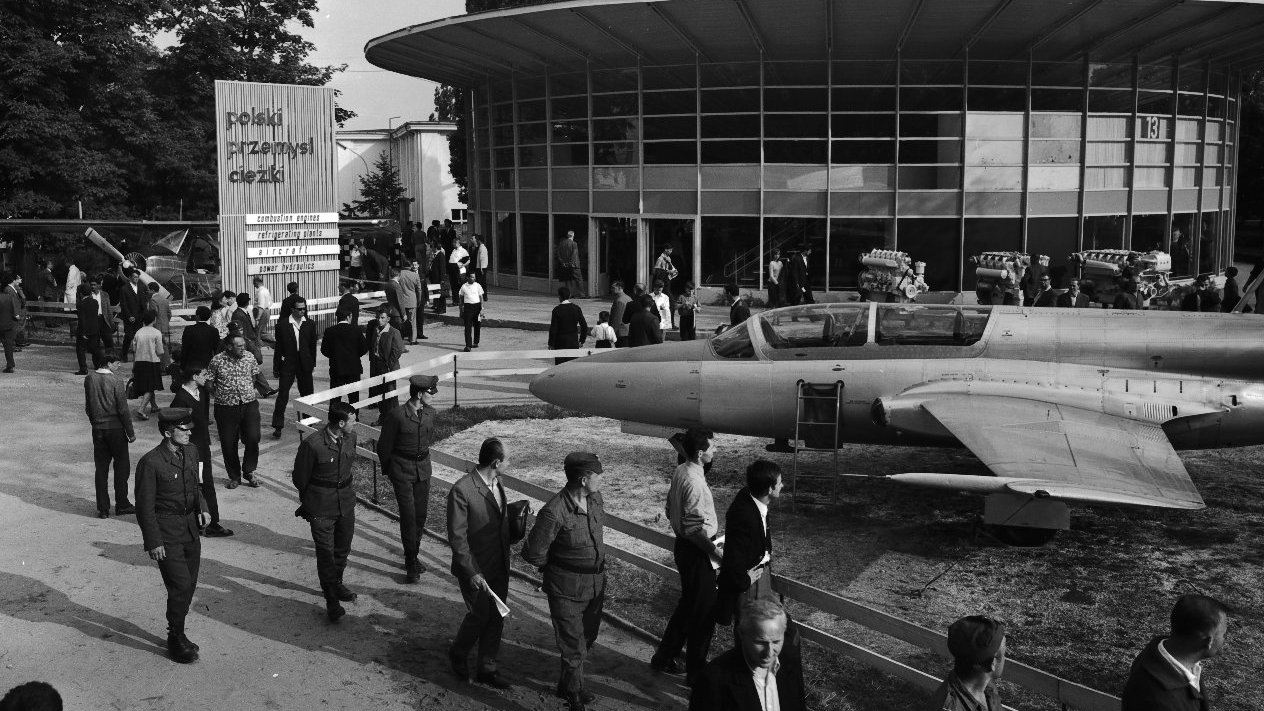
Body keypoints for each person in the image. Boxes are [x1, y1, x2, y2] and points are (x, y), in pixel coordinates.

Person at [522, 452, 607, 711]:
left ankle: (568, 683)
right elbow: (533, 552)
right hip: (566, 588)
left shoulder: (595, 500)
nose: (602, 480)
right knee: (573, 644)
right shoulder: (554, 511)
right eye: (598, 476)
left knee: (587, 638)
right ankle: (573, 693)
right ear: (583, 479)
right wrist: (556, 568)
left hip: (595, 585)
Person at [134, 407, 208, 664]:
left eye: (189, 429)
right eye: (182, 429)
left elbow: (196, 486)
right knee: (180, 585)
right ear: (167, 433)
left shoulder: (192, 451)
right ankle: (175, 636)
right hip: (167, 532)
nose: (189, 433)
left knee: (190, 582)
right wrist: (153, 541)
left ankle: (180, 629)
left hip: (189, 528)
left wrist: (204, 508)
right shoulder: (151, 462)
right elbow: (144, 507)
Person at [652, 428, 721, 686]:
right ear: (701, 453)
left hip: (685, 547)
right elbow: (693, 530)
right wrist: (715, 552)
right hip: (697, 551)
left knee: (687, 607)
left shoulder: (681, 471)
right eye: (712, 448)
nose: (715, 451)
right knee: (704, 614)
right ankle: (696, 673)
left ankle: (664, 656)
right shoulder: (693, 482)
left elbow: (670, 509)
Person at [446, 437, 514, 689]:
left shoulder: (498, 483)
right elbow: (457, 537)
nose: (511, 462)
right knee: (480, 615)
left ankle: (487, 667)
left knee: (496, 617)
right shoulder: (462, 490)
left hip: (499, 565)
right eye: (508, 459)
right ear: (496, 462)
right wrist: (472, 571)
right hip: (475, 570)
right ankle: (458, 652)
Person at [293, 401, 360, 622]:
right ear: (341, 422)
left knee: (342, 550)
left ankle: (337, 584)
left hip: (345, 504)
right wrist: (311, 503)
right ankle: (331, 600)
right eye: (352, 420)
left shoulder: (350, 437)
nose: (356, 423)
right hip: (321, 508)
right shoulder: (313, 445)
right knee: (326, 555)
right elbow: (300, 478)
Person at [376, 374, 439, 583]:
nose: (433, 397)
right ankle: (410, 560)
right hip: (402, 471)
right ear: (420, 394)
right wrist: (392, 471)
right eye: (430, 393)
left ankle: (415, 552)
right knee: (409, 516)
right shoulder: (397, 416)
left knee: (420, 515)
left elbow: (426, 439)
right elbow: (384, 447)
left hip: (423, 470)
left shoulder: (430, 413)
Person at [688, 599, 806, 711]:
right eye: (760, 643)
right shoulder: (713, 680)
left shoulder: (790, 663)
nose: (769, 652)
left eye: (776, 642)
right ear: (741, 634)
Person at [1121, 594, 1229, 711]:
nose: (1225, 639)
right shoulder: (1160, 703)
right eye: (1223, 635)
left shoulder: (1159, 651)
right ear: (1208, 641)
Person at [716, 460, 783, 627]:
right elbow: (733, 557)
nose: (782, 485)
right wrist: (745, 580)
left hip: (760, 576)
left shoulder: (752, 497)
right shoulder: (744, 516)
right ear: (769, 489)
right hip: (750, 585)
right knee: (752, 629)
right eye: (780, 482)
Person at [170, 366, 232, 537]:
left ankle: (211, 522)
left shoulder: (202, 393)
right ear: (195, 376)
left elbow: (204, 419)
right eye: (204, 374)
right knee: (197, 485)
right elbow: (175, 428)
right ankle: (203, 524)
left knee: (206, 484)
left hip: (203, 447)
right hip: (191, 450)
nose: (207, 377)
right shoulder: (180, 399)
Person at [205, 335, 263, 489]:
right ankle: (234, 476)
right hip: (225, 408)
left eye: (244, 345)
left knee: (253, 437)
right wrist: (221, 395)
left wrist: (246, 390)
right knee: (228, 442)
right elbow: (209, 383)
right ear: (229, 347)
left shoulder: (249, 357)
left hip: (249, 403)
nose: (243, 348)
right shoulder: (217, 360)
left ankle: (249, 470)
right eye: (239, 346)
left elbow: (254, 376)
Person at [84, 348, 136, 518]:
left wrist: (95, 423)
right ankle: (122, 503)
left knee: (101, 469)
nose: (119, 365)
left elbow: (88, 407)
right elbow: (122, 408)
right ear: (108, 363)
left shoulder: (90, 378)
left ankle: (103, 508)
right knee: (121, 467)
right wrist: (130, 431)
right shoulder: (116, 380)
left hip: (98, 429)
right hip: (115, 429)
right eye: (117, 363)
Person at [925, 615, 1007, 711]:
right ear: (992, 663)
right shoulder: (950, 707)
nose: (1005, 658)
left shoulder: (987, 686)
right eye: (1004, 654)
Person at [271, 298, 317, 439]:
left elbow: (312, 346)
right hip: (288, 363)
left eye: (304, 308)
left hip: (304, 363)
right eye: (299, 309)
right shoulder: (282, 325)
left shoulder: (309, 324)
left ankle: (307, 422)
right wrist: (276, 366)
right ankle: (278, 426)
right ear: (292, 309)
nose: (302, 311)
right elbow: (278, 348)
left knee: (307, 394)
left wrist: (312, 363)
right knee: (283, 395)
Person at [322, 308, 368, 407]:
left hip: (337, 368)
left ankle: (333, 419)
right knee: (354, 398)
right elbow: (364, 348)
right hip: (353, 368)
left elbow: (324, 350)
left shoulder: (329, 331)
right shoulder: (356, 330)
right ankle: (355, 419)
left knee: (335, 398)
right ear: (348, 317)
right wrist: (355, 356)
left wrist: (334, 357)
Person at [366, 306, 404, 424]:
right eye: (378, 317)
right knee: (379, 393)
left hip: (388, 367)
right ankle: (383, 418)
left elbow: (397, 350)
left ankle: (394, 420)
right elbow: (372, 347)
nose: (379, 320)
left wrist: (388, 365)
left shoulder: (394, 332)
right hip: (376, 365)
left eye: (382, 318)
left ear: (388, 319)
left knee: (391, 394)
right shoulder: (375, 329)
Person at [131, 310, 165, 420]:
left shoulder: (138, 332)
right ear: (154, 319)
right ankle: (141, 409)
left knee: (149, 385)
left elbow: (134, 350)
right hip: (152, 362)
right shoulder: (156, 332)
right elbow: (160, 351)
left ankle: (154, 406)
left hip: (139, 362)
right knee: (150, 386)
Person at [548, 287, 587, 364]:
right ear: (569, 296)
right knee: (572, 366)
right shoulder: (576, 308)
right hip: (573, 341)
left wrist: (551, 343)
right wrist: (582, 340)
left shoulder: (556, 310)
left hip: (560, 342)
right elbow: (584, 326)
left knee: (560, 366)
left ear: (559, 297)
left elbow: (553, 329)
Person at [118, 269, 150, 362]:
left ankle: (138, 355)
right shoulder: (124, 289)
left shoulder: (140, 287)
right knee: (128, 336)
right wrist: (129, 316)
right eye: (135, 277)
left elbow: (143, 302)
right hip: (129, 317)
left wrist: (145, 314)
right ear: (130, 278)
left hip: (139, 316)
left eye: (138, 277)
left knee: (139, 337)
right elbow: (123, 304)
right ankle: (124, 354)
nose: (137, 278)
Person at [74, 283, 102, 375]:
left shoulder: (81, 304)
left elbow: (82, 319)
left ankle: (83, 368)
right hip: (94, 328)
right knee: (95, 349)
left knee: (80, 349)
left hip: (84, 330)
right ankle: (101, 364)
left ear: (81, 293)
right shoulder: (95, 302)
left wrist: (83, 332)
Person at [230, 292, 264, 365]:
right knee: (253, 362)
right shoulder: (238, 314)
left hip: (248, 341)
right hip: (247, 342)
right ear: (247, 303)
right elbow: (239, 331)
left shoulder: (240, 312)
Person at [458, 270, 486, 352]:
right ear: (468, 277)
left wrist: (482, 309)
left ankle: (476, 342)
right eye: (472, 277)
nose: (474, 278)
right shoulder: (463, 287)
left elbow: (481, 298)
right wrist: (460, 310)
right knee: (467, 327)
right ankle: (468, 345)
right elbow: (461, 299)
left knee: (477, 325)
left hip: (477, 307)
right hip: (468, 307)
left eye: (474, 277)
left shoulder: (478, 286)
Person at [398, 260, 426, 343]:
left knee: (403, 320)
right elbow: (419, 290)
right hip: (412, 300)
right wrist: (419, 300)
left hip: (402, 301)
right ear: (410, 266)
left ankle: (402, 338)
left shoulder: (399, 274)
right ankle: (413, 339)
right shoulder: (415, 275)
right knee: (412, 321)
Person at [0, 272, 22, 373]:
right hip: (9, 325)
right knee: (8, 347)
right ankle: (10, 365)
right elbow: (16, 315)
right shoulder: (9, 297)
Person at [147, 282, 172, 368]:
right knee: (163, 345)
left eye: (148, 289)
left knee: (160, 346)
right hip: (164, 325)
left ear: (152, 290)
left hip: (156, 325)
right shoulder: (164, 299)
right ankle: (166, 364)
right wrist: (165, 322)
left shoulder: (153, 300)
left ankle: (164, 365)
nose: (147, 291)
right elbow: (169, 313)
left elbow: (154, 313)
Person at [556, 230, 585, 299]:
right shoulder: (574, 243)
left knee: (568, 280)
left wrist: (564, 263)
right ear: (573, 235)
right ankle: (582, 294)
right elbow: (574, 254)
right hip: (574, 265)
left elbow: (558, 255)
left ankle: (569, 294)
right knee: (579, 279)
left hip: (565, 265)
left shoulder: (561, 243)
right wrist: (570, 263)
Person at [609, 281, 632, 348]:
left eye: (613, 288)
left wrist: (611, 333)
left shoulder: (620, 301)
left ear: (619, 288)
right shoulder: (628, 298)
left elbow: (617, 319)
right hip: (627, 331)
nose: (611, 290)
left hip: (621, 332)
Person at [449, 238, 471, 306]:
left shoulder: (463, 251)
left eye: (454, 243)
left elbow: (468, 260)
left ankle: (463, 301)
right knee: (453, 286)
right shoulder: (454, 250)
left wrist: (463, 265)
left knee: (460, 286)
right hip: (453, 270)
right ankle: (455, 301)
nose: (453, 244)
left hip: (460, 271)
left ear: (458, 243)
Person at [252, 277, 273, 342]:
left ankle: (273, 340)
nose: (254, 285)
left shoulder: (261, 292)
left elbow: (261, 305)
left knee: (258, 331)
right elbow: (270, 302)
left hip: (261, 312)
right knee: (261, 330)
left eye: (254, 283)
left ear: (256, 282)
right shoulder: (266, 290)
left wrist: (258, 318)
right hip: (265, 311)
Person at [473, 234, 490, 299]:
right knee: (482, 282)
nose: (476, 241)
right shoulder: (481, 247)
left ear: (479, 240)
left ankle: (483, 296)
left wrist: (482, 268)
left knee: (481, 283)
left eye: (477, 240)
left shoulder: (482, 248)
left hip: (481, 268)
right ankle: (484, 296)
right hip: (481, 267)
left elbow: (482, 258)